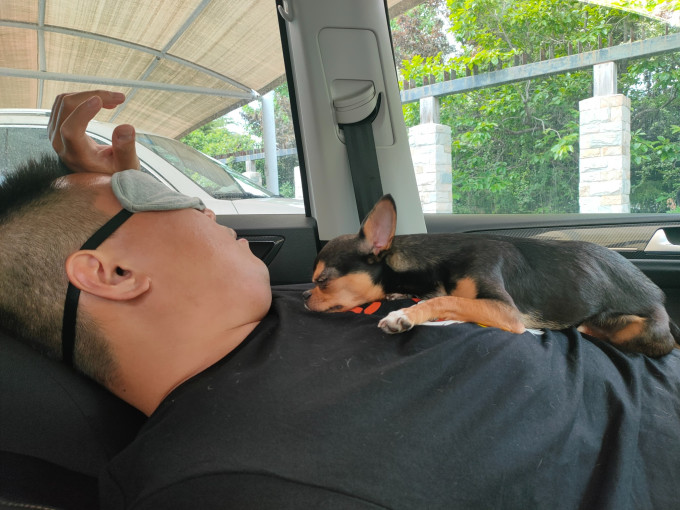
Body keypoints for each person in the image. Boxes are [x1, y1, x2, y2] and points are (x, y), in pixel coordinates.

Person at [1, 91, 679, 509]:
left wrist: (116, 199)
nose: (201, 207)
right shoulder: (242, 485)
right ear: (113, 273)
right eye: (158, 196)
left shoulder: (284, 302)